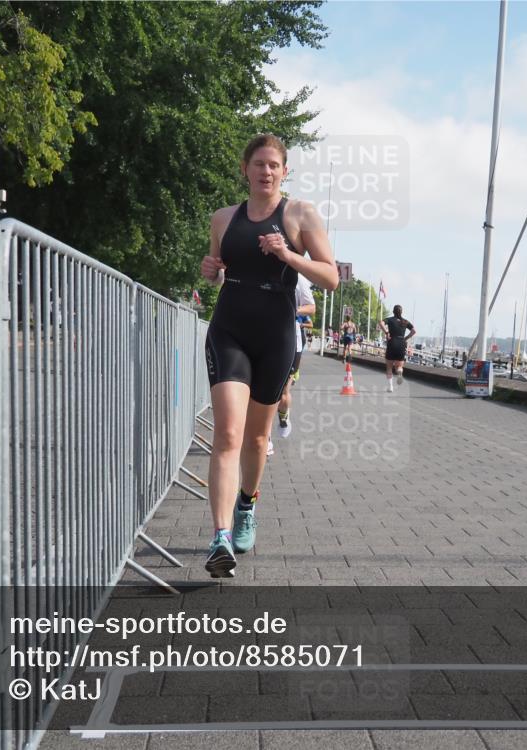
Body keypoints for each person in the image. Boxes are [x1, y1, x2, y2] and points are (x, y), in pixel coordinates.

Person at [200, 134, 338, 577]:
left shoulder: (301, 214)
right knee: (228, 435)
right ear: (245, 169)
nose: (266, 172)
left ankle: (247, 504)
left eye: (274, 165)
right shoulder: (223, 218)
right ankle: (220, 539)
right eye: (258, 164)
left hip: (276, 334)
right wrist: (210, 270)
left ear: (285, 171)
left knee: (257, 440)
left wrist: (288, 253)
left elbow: (331, 278)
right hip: (230, 328)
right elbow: (219, 272)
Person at [275, 277, 317, 441]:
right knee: (270, 390)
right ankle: (266, 437)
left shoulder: (297, 278)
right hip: (265, 334)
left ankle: (283, 418)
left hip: (292, 339)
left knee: (282, 390)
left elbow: (311, 310)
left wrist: (293, 310)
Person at [378, 304, 415, 392]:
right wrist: (406, 338)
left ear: (393, 311)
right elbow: (414, 331)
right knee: (399, 366)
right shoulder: (405, 321)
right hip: (401, 343)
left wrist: (386, 332)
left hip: (392, 342)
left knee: (389, 366)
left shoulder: (390, 320)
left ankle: (390, 387)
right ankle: (399, 372)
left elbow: (381, 323)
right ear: (401, 312)